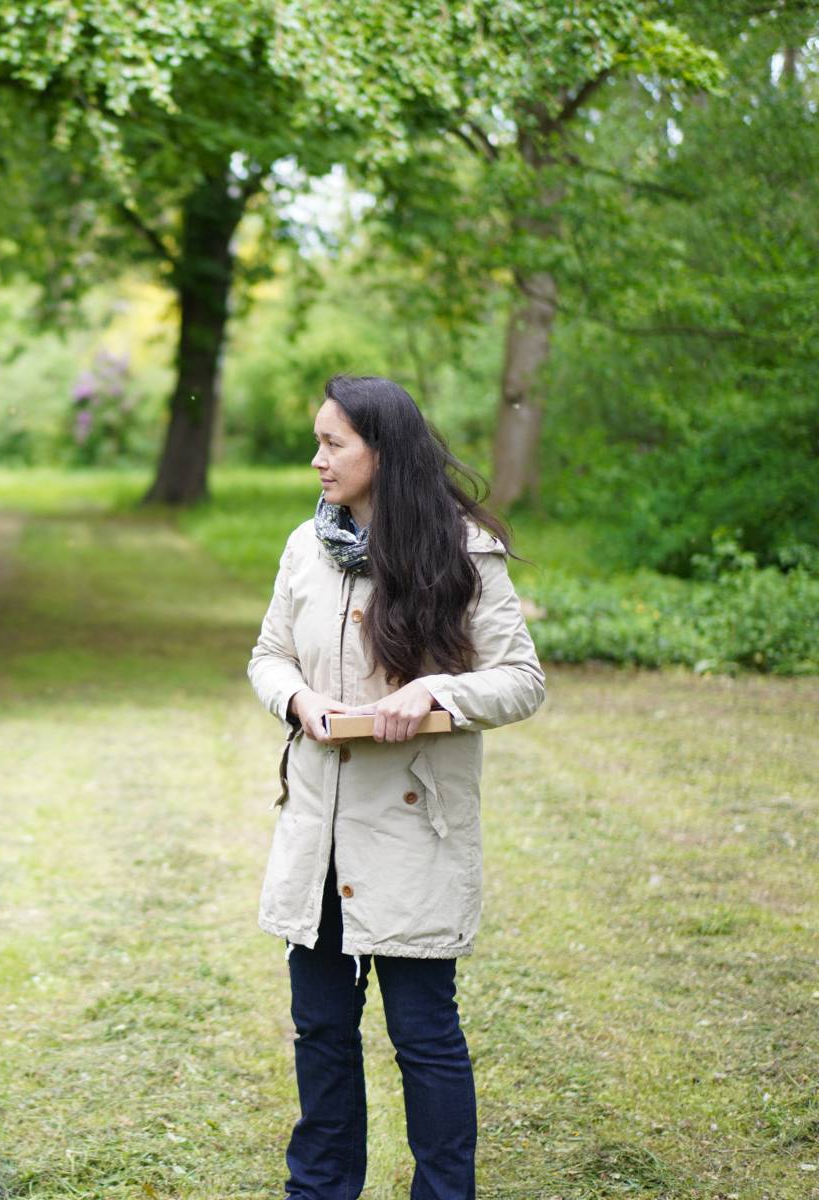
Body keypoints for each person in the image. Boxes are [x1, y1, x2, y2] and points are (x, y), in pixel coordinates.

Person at [248, 375, 545, 1199]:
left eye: (333, 443)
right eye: (318, 442)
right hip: (321, 831)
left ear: (384, 451)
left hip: (415, 836)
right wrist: (300, 699)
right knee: (321, 1033)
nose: (317, 460)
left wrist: (436, 692)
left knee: (423, 1037)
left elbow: (522, 680)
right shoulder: (307, 546)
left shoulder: (462, 550)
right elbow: (268, 656)